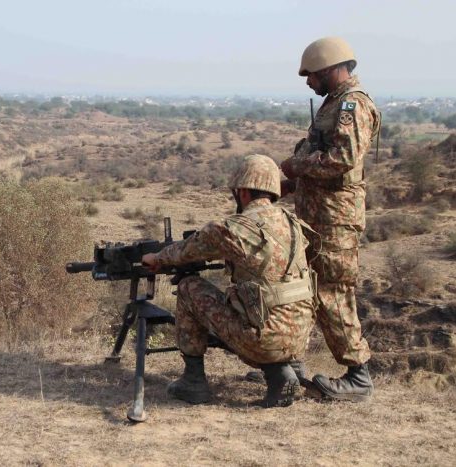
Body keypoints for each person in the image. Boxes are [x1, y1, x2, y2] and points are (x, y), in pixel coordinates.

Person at [142, 155, 316, 407]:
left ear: (243, 192)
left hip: (263, 340)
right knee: (263, 304)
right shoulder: (295, 225)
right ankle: (281, 375)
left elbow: (186, 251)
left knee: (189, 287)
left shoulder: (235, 228)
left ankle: (193, 382)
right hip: (299, 339)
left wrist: (156, 257)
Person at [280, 37, 381, 401]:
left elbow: (342, 159)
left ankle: (359, 376)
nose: (308, 82)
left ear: (328, 68)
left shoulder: (353, 105)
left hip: (335, 220)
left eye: (311, 75)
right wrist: (289, 182)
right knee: (304, 288)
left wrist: (296, 166)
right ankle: (290, 364)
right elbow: (319, 156)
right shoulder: (332, 105)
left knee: (332, 291)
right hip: (316, 217)